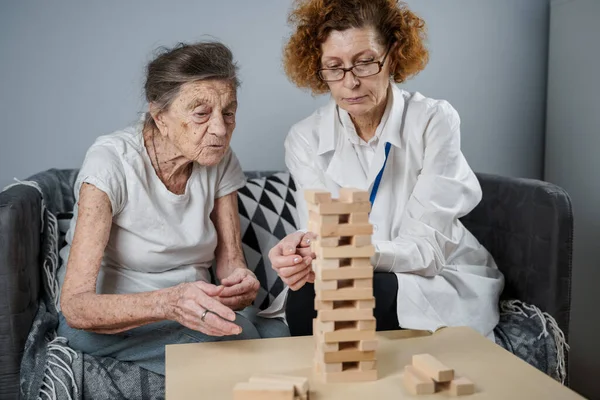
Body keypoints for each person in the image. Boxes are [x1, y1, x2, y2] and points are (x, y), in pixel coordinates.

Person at [267, 0, 504, 339]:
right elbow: (321, 233)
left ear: (392, 55)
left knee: (351, 295)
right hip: (352, 273)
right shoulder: (304, 138)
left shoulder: (434, 121)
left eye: (364, 63)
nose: (350, 83)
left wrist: (354, 253)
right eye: (333, 67)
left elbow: (428, 250)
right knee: (307, 295)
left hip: (432, 276)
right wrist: (302, 254)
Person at [57, 41, 289, 375]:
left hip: (194, 312)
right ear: (159, 115)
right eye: (201, 114)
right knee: (239, 346)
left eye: (229, 112)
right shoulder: (110, 163)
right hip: (115, 321)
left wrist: (242, 282)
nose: (221, 130)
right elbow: (76, 307)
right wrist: (168, 302)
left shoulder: (218, 159)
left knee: (280, 333)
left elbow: (230, 264)